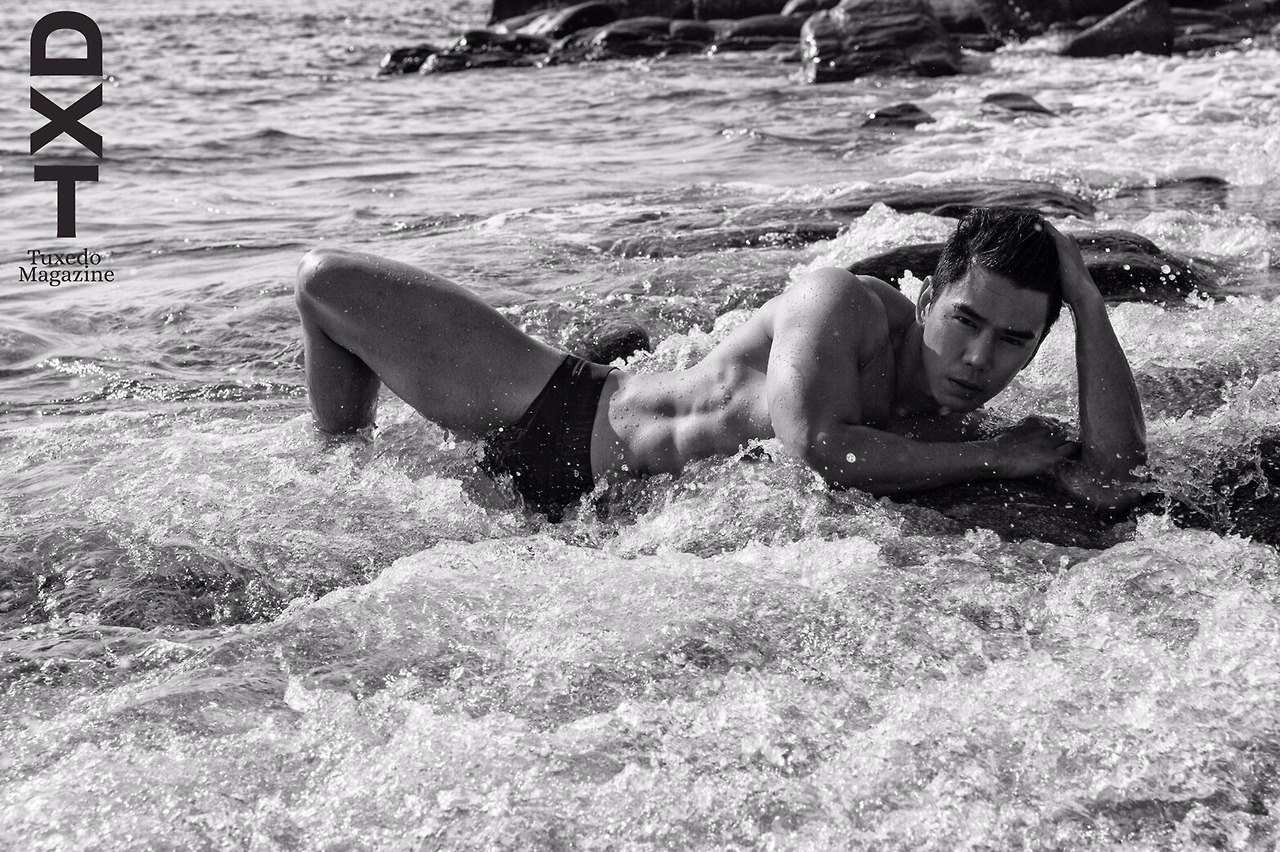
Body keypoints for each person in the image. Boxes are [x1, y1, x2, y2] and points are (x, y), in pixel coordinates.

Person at [294, 206, 1147, 518]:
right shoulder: (838, 302)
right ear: (928, 298)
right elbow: (821, 447)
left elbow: (1115, 471)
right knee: (325, 281)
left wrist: (1087, 299)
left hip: (609, 511)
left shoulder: (958, 414)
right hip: (554, 414)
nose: (979, 357)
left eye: (1013, 341)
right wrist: (993, 457)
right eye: (966, 321)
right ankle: (341, 455)